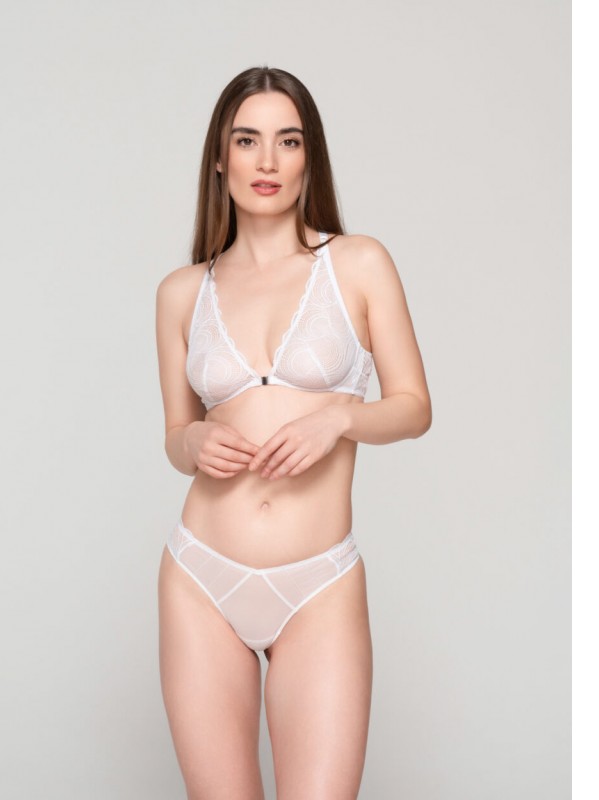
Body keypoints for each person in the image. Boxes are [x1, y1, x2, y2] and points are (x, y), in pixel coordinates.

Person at [154, 66, 431, 800]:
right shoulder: (182, 292)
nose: (268, 161)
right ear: (220, 157)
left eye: (289, 140)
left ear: (311, 156)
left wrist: (341, 416)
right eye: (247, 140)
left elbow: (413, 407)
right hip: (200, 577)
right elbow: (176, 434)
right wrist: (192, 444)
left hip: (319, 584)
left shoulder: (358, 262)